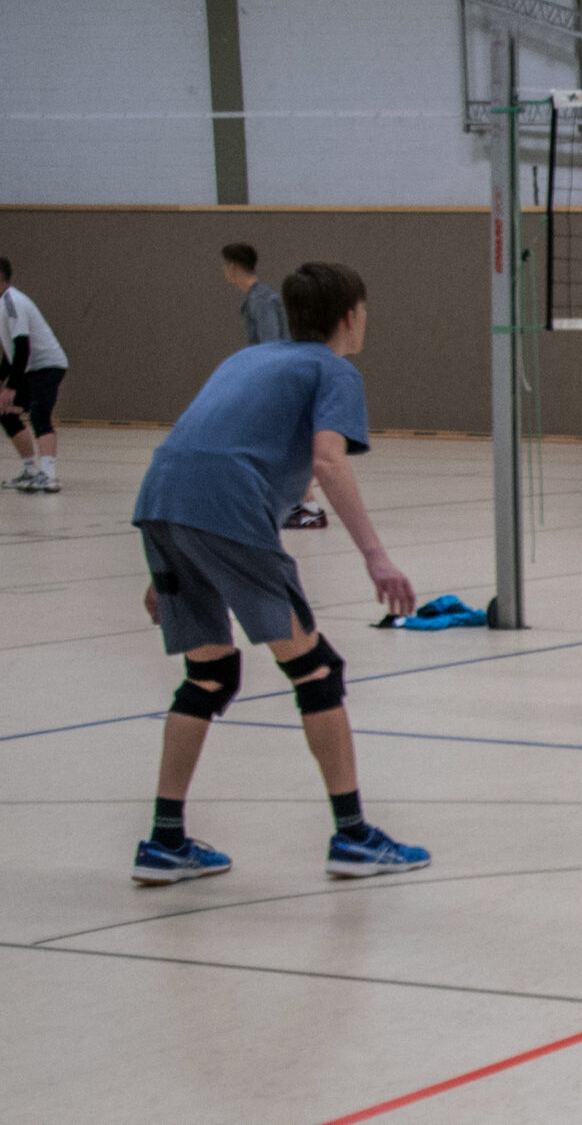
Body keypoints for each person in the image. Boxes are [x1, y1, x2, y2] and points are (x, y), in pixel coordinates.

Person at [127, 262, 428, 883]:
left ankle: (164, 842)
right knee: (316, 669)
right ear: (350, 315)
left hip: (161, 502)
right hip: (223, 510)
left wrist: (172, 561)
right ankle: (353, 837)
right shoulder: (334, 370)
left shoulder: (245, 360)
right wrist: (375, 555)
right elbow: (328, 460)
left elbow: (199, 446)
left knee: (207, 676)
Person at [221, 243, 326, 529]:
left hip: (277, 382)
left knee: (282, 444)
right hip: (274, 380)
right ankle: (302, 504)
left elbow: (271, 344)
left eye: (225, 265)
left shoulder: (262, 300)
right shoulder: (256, 298)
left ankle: (307, 506)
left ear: (233, 267)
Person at [1, 257, 69, 494]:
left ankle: (48, 476)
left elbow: (22, 347)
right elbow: (10, 352)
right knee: (5, 411)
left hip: (47, 366)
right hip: (30, 368)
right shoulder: (1, 304)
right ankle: (29, 470)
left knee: (40, 414)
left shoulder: (12, 302)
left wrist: (11, 386)